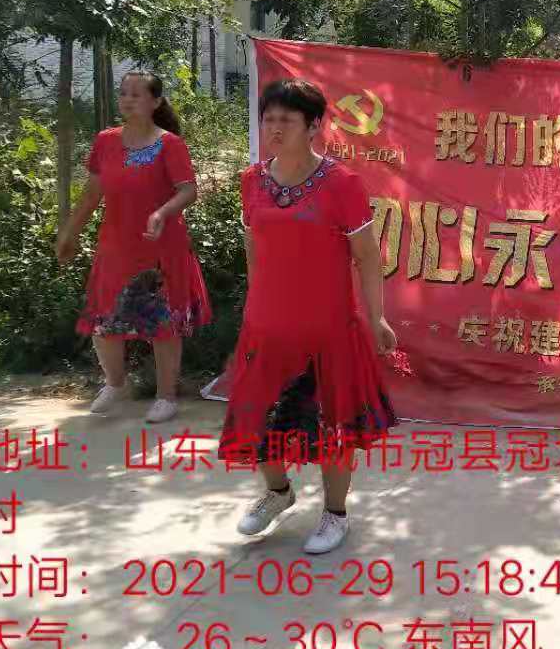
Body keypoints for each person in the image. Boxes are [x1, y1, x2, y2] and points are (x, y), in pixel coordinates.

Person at [220, 78, 398, 555]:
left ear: (314, 126)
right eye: (269, 119)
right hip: (266, 325)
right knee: (258, 416)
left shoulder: (342, 184)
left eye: (287, 120)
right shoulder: (252, 180)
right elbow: (253, 247)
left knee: (332, 426)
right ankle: (278, 492)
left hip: (327, 328)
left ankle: (335, 513)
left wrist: (377, 318)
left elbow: (367, 257)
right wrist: (253, 307)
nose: (274, 128)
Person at [56, 71, 211, 423]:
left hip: (161, 247)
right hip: (116, 246)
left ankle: (166, 397)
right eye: (124, 93)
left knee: (163, 324)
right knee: (104, 319)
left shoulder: (170, 144)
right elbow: (92, 194)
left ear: (155, 102)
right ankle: (116, 383)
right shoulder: (105, 141)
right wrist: (70, 232)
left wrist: (162, 212)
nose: (127, 99)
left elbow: (188, 190)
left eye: (136, 94)